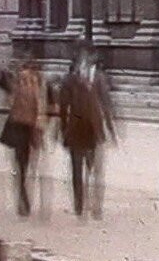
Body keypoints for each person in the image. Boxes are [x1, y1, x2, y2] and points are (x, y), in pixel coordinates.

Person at [55, 54, 115, 217]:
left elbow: (106, 105)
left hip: (90, 131)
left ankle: (90, 206)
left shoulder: (91, 79)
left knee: (91, 169)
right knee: (81, 170)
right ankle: (81, 205)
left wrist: (110, 129)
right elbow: (63, 108)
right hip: (80, 130)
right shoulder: (73, 80)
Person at [0, 55, 47, 216]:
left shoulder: (19, 81)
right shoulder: (35, 82)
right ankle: (24, 198)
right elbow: (39, 108)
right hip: (29, 128)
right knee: (27, 164)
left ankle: (23, 197)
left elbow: (10, 102)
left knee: (21, 165)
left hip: (19, 126)